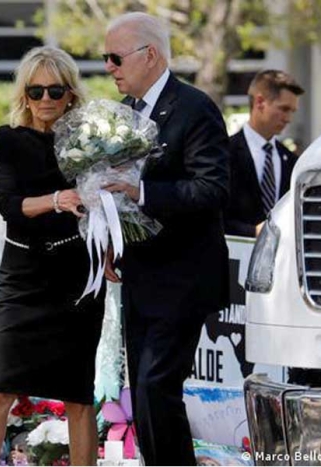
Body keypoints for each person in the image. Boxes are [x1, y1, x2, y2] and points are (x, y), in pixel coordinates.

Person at [102, 13, 230, 465]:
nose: (109, 68)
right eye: (106, 58)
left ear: (149, 55)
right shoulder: (126, 115)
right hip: (141, 274)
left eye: (115, 58)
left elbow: (213, 188)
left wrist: (143, 191)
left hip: (183, 276)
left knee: (157, 389)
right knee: (143, 392)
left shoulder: (194, 107)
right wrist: (113, 242)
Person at [0, 46, 105, 466]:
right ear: (24, 94)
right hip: (23, 276)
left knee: (78, 397)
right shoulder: (7, 139)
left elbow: (106, 208)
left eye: (55, 90)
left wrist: (110, 253)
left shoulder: (87, 143)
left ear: (70, 94)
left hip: (75, 277)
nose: (46, 99)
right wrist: (57, 200)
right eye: (36, 90)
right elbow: (11, 207)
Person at [224, 70, 305, 237]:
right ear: (260, 102)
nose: (288, 118)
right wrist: (253, 231)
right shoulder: (224, 152)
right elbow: (211, 218)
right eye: (284, 109)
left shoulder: (291, 161)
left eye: (292, 111)